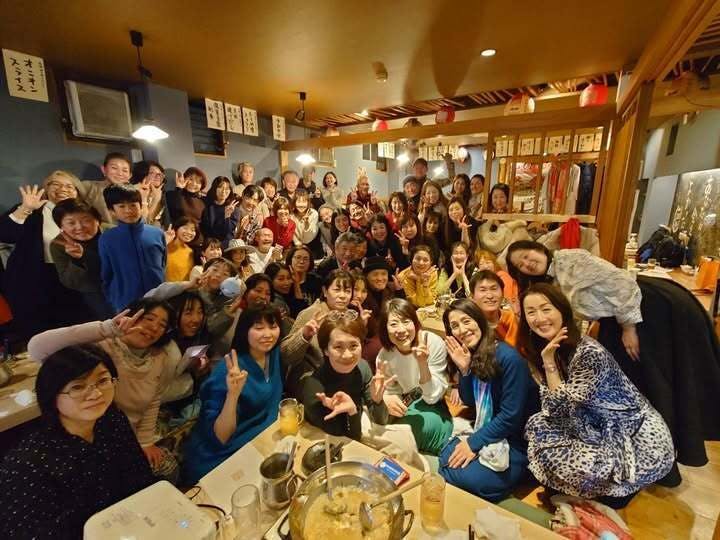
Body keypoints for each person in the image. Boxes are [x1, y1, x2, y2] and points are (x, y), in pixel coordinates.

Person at [507, 240, 720, 481]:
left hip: (643, 310)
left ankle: (657, 462)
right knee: (638, 384)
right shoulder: (551, 279)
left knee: (655, 383)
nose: (527, 263)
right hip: (615, 319)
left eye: (526, 255)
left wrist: (629, 327)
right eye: (520, 264)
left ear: (538, 248)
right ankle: (641, 461)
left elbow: (622, 284)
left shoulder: (569, 259)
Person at [518, 283, 674, 507]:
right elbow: (552, 409)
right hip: (593, 424)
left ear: (562, 310)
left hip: (634, 437)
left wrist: (548, 363)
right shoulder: (551, 348)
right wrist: (547, 360)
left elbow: (561, 408)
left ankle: (608, 493)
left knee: (560, 455)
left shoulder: (589, 353)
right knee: (539, 427)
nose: (540, 318)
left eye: (546, 309)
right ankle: (585, 493)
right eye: (531, 312)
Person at [0, 345, 153, 539]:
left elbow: (140, 477)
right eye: (77, 387)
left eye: (103, 381)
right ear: (51, 394)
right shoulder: (28, 464)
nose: (96, 394)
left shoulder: (112, 421)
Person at [28, 300, 184, 477]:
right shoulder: (100, 347)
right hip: (85, 438)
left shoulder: (159, 359)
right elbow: (37, 348)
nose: (154, 327)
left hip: (124, 436)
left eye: (162, 325)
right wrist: (106, 328)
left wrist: (145, 442)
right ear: (130, 315)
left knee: (168, 470)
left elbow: (153, 401)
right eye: (149, 318)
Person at [438, 299, 536, 502]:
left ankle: (521, 474)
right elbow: (469, 400)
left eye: (467, 321)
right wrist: (465, 370)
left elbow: (510, 417)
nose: (462, 330)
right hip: (489, 428)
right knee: (447, 456)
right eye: (455, 326)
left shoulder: (509, 359)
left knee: (469, 477)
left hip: (517, 440)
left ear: (479, 320)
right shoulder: (472, 354)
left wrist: (472, 443)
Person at [181, 306, 284, 483]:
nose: (268, 334)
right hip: (223, 454)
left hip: (265, 438)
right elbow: (220, 437)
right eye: (259, 328)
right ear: (244, 331)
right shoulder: (228, 371)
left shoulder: (272, 353)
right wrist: (233, 394)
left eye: (273, 327)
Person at [0, 174, 87, 339]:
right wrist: (25, 209)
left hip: (73, 278)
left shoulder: (85, 212)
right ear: (46, 189)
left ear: (77, 192)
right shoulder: (33, 210)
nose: (62, 189)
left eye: (69, 186)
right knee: (39, 332)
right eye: (56, 184)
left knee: (73, 330)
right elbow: (5, 234)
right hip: (35, 279)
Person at [377, 299, 451, 455]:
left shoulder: (432, 343)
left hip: (436, 406)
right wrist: (388, 398)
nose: (401, 329)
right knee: (383, 435)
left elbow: (432, 397)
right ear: (385, 329)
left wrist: (422, 363)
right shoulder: (384, 355)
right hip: (408, 404)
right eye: (393, 324)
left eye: (406, 322)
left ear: (415, 323)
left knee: (399, 440)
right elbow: (391, 390)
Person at [301, 316, 391, 439]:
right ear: (326, 350)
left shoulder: (362, 368)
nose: (347, 355)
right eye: (338, 347)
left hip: (357, 426)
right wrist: (352, 412)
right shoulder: (314, 388)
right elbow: (346, 439)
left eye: (353, 345)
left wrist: (378, 401)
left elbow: (381, 421)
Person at [281, 270, 357, 395]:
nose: (342, 296)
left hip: (341, 376)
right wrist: (304, 335)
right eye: (337, 290)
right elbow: (286, 355)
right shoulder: (311, 313)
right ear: (325, 291)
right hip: (311, 380)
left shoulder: (350, 315)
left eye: (347, 291)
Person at [99, 184, 166, 312]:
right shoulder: (107, 239)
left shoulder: (157, 233)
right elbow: (106, 274)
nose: (128, 210)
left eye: (133, 205)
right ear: (112, 210)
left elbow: (163, 265)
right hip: (125, 303)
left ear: (141, 206)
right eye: (121, 206)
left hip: (157, 299)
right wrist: (114, 299)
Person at [51, 199, 114, 319]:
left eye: (86, 220)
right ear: (61, 226)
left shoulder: (114, 233)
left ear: (97, 220)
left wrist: (86, 255)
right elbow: (70, 282)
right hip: (94, 290)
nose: (79, 227)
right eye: (71, 223)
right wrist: (77, 261)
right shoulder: (59, 244)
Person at [73, 152, 132, 224]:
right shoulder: (90, 187)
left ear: (130, 175)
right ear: (104, 169)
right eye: (114, 168)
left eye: (125, 170)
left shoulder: (134, 194)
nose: (120, 173)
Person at [470, 270, 518, 347]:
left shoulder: (512, 319)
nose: (490, 296)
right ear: (472, 297)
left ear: (503, 293)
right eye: (483, 290)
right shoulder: (470, 325)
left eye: (494, 289)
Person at [475, 248, 519, 314]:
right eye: (481, 264)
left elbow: (507, 298)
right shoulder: (483, 280)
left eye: (488, 262)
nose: (485, 266)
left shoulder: (502, 275)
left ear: (494, 263)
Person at [200, 176, 239, 246]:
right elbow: (207, 229)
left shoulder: (234, 209)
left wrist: (227, 217)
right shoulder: (206, 204)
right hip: (208, 243)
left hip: (225, 245)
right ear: (214, 188)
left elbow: (227, 232)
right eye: (220, 187)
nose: (223, 191)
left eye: (227, 188)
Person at [131, 160, 168, 227]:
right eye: (152, 173)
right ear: (142, 174)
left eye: (160, 174)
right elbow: (144, 222)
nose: (158, 176)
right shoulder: (133, 191)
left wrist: (156, 199)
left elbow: (151, 220)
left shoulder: (158, 192)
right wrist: (155, 200)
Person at [166, 217, 198, 282]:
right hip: (164, 286)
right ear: (176, 228)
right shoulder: (165, 245)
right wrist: (165, 242)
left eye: (192, 230)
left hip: (183, 287)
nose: (189, 232)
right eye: (185, 228)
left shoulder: (191, 251)